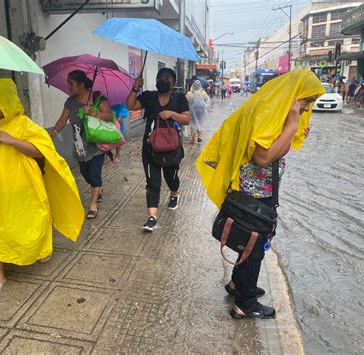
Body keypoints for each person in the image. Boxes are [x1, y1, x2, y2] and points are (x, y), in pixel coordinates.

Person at [196, 69, 325, 319]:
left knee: (249, 242)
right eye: (307, 101)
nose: (308, 108)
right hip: (253, 193)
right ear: (295, 93)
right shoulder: (271, 112)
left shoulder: (273, 107)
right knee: (253, 247)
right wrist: (292, 125)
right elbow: (264, 157)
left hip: (254, 190)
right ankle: (245, 305)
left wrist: (290, 134)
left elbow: (274, 150)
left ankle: (237, 284)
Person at [0, 78, 84, 302]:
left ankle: (38, 249)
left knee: (28, 222)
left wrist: (11, 140)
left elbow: (41, 151)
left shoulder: (23, 124)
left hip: (23, 190)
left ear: (7, 100)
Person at [126, 68, 190, 232]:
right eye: (160, 77)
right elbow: (130, 105)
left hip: (171, 148)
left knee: (171, 178)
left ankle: (174, 193)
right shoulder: (149, 96)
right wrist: (135, 88)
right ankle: (152, 218)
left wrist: (171, 114)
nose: (163, 80)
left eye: (167, 78)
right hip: (150, 148)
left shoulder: (179, 98)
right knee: (152, 183)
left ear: (173, 82)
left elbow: (186, 119)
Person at [51, 70, 113, 220]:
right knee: (86, 174)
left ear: (82, 84)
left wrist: (94, 112)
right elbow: (62, 120)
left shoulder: (98, 97)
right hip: (80, 146)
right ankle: (98, 189)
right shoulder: (70, 102)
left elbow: (110, 116)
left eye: (71, 83)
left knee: (94, 173)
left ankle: (93, 205)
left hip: (96, 145)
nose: (69, 87)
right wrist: (53, 132)